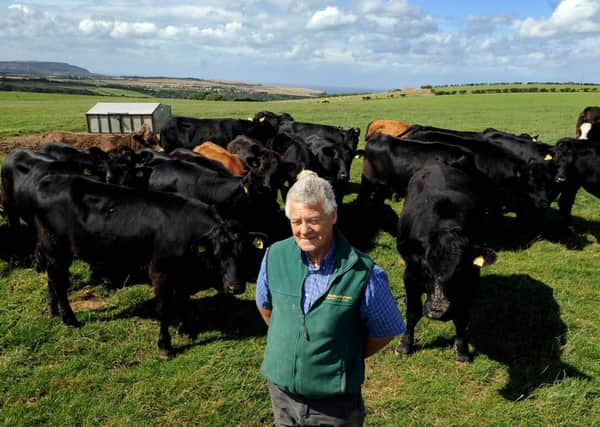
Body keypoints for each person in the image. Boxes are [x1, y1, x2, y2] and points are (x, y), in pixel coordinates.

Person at [255, 170, 405, 426]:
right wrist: (294, 341)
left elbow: (383, 332)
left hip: (334, 405)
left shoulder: (364, 272)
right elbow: (265, 306)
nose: (304, 231)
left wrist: (341, 355)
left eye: (313, 220)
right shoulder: (274, 256)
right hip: (281, 393)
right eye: (296, 221)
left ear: (333, 215)